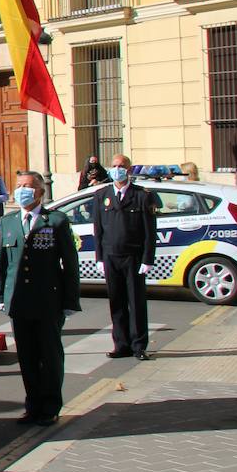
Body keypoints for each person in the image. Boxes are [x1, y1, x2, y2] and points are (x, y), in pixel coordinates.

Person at [0, 172, 81, 426]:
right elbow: (2, 262)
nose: (22, 191)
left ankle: (50, 407)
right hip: (19, 301)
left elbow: (70, 263)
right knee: (28, 356)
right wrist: (0, 295)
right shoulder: (9, 222)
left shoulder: (56, 221)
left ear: (40, 192)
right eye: (19, 186)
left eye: (28, 187)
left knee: (50, 356)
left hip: (47, 300)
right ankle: (33, 406)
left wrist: (70, 300)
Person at [92, 154, 157, 361]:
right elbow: (98, 229)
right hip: (111, 256)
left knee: (136, 302)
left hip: (133, 256)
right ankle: (121, 344)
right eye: (114, 166)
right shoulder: (102, 195)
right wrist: (100, 258)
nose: (117, 169)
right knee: (116, 302)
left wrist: (148, 259)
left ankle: (138, 345)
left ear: (129, 170)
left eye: (121, 166)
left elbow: (149, 230)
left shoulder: (142, 196)